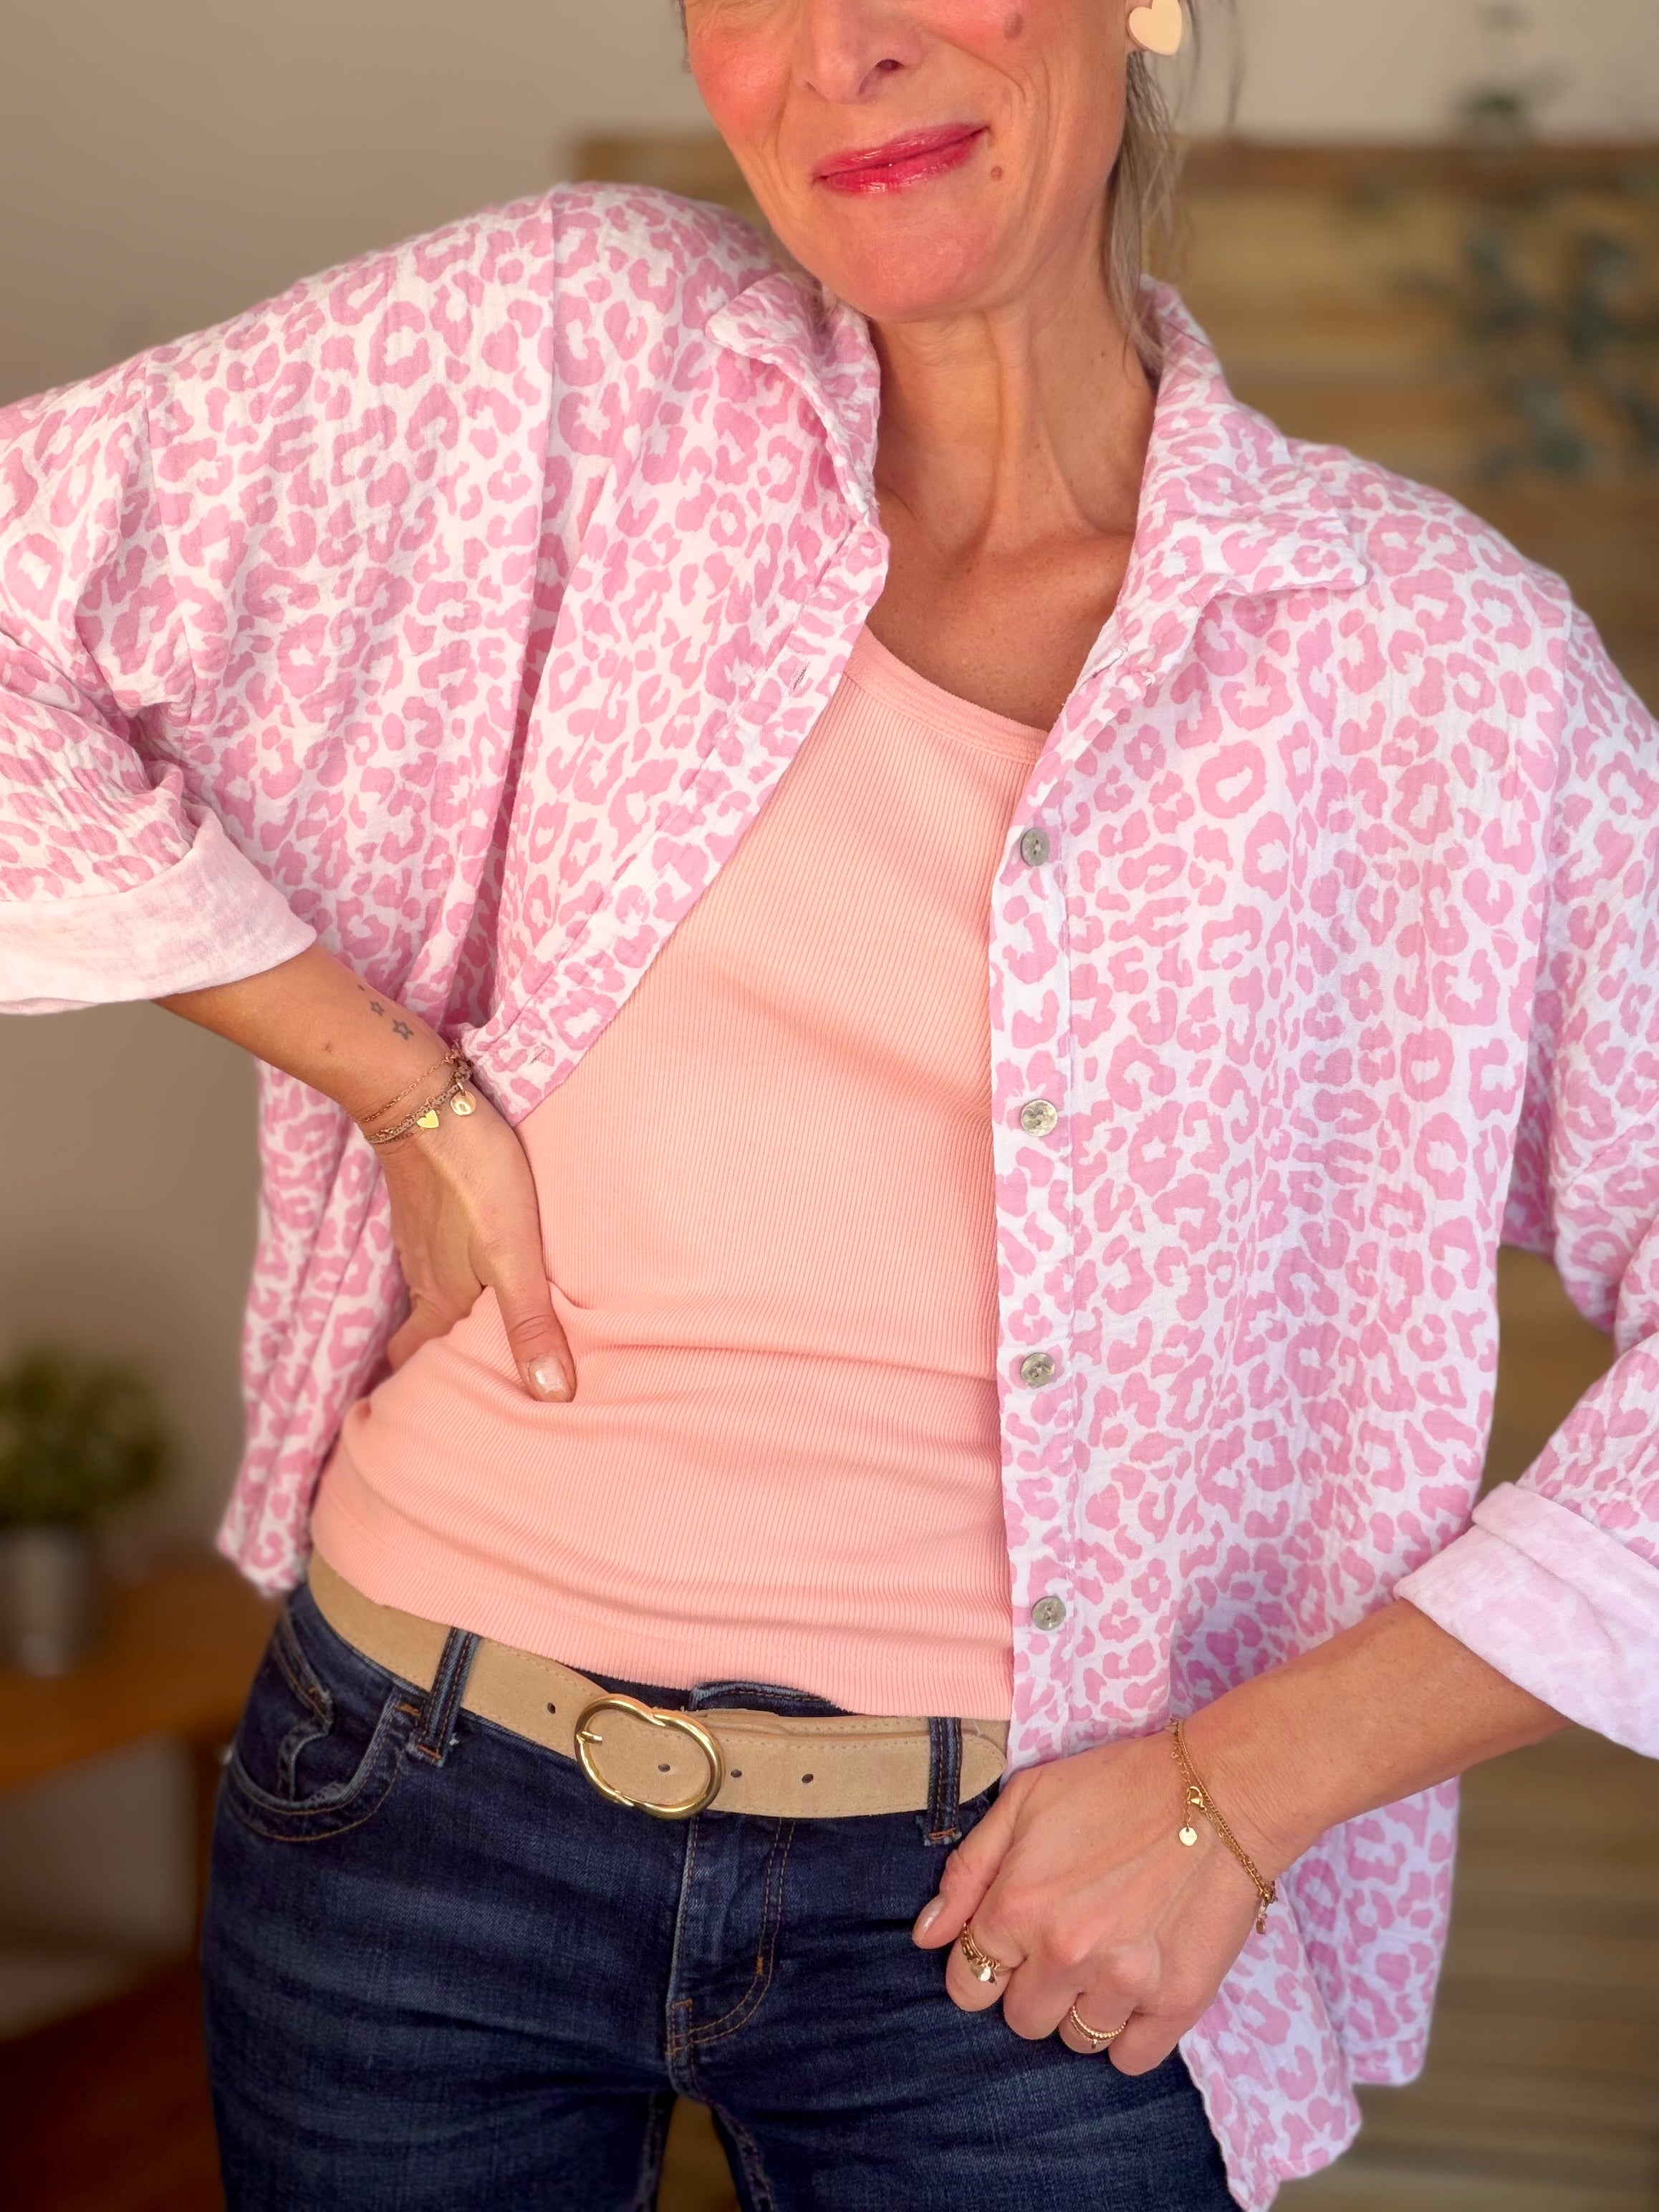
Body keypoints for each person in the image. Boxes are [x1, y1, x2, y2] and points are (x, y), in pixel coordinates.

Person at [2, 1, 1656, 2206]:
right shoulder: (577, 362)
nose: (837, 46)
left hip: (1031, 1913)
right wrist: (397, 1087)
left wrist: (1241, 1793)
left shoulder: (1423, 661)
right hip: (408, 1803)